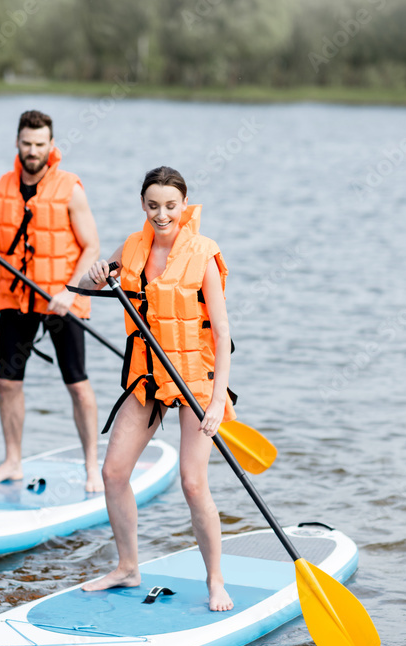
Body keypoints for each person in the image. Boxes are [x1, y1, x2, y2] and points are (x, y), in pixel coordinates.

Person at [77, 166, 236, 612]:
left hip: (195, 379)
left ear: (183, 205)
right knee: (112, 473)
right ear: (143, 205)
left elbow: (222, 333)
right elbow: (92, 282)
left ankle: (215, 580)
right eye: (152, 205)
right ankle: (128, 566)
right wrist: (95, 272)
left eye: (170, 205)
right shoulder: (132, 247)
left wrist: (219, 400)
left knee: (192, 482)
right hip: (148, 376)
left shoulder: (203, 253)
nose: (161, 214)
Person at [0, 110, 103, 493]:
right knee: (7, 383)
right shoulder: (2, 187)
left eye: (40, 144)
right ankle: (12, 462)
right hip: (17, 297)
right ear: (17, 143)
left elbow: (92, 247)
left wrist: (68, 291)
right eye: (27, 143)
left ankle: (92, 467)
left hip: (60, 300)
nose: (33, 150)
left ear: (51, 145)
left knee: (77, 384)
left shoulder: (70, 188)